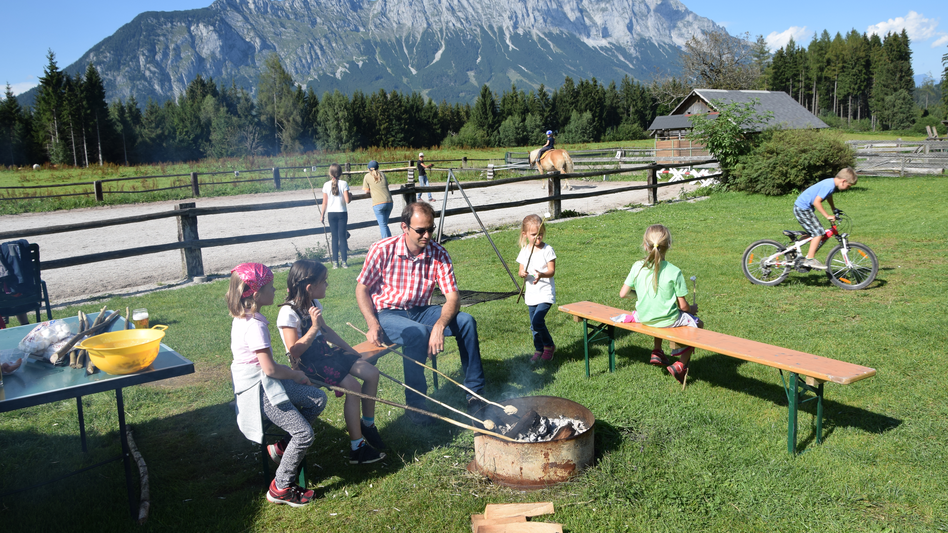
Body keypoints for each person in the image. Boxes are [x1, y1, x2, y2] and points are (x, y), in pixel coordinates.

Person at [355, 202, 487, 425]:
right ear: (404, 227)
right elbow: (362, 288)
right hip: (388, 314)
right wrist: (372, 323)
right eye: (421, 230)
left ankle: (475, 395)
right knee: (416, 333)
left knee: (466, 321)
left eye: (430, 229)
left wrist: (439, 326)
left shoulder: (439, 253)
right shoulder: (382, 249)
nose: (427, 235)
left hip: (420, 311)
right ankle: (415, 405)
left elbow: (453, 298)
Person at [226, 262, 328, 507]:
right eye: (270, 286)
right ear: (255, 293)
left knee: (317, 398)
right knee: (304, 433)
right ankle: (280, 487)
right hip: (260, 391)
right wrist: (295, 375)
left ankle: (282, 446)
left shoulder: (249, 318)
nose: (274, 290)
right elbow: (269, 369)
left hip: (267, 383)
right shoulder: (255, 326)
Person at [277, 260, 387, 464]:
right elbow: (295, 351)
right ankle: (357, 448)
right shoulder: (288, 313)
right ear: (310, 287)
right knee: (353, 387)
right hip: (307, 365)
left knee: (371, 373)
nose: (327, 285)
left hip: (324, 354)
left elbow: (325, 331)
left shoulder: (313, 303)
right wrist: (313, 328)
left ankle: (367, 424)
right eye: (324, 281)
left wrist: (350, 350)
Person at [618, 224, 700, 385]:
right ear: (669, 245)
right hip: (667, 320)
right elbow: (683, 307)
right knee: (697, 324)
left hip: (644, 317)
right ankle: (680, 365)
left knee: (657, 313)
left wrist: (639, 294)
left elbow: (623, 293)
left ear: (645, 245)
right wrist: (692, 310)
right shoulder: (674, 271)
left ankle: (657, 351)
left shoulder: (637, 266)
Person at [792, 167, 858, 270]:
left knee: (813, 233)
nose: (848, 188)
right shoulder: (829, 185)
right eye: (848, 186)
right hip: (802, 209)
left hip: (803, 208)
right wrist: (827, 216)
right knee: (818, 233)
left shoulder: (831, 184)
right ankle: (810, 259)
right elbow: (816, 202)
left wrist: (833, 209)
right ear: (843, 181)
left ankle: (794, 250)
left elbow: (828, 196)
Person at [516, 214, 557, 363]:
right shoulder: (524, 251)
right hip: (531, 294)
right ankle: (538, 349)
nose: (538, 237)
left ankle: (549, 346)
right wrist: (523, 273)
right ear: (525, 234)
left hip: (545, 293)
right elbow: (521, 271)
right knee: (533, 326)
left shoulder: (548, 250)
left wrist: (542, 274)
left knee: (538, 321)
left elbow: (552, 271)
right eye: (534, 235)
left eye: (540, 233)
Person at [321, 163, 351, 269]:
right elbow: (347, 200)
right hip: (342, 212)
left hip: (331, 213)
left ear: (330, 173)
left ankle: (335, 262)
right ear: (340, 173)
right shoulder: (344, 183)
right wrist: (350, 196)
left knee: (334, 237)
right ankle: (344, 262)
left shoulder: (326, 185)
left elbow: (324, 202)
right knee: (342, 237)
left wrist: (322, 215)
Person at [362, 160, 394, 238]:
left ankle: (386, 243)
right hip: (389, 201)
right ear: (378, 167)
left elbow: (366, 191)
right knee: (384, 224)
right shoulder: (382, 174)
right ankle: (391, 241)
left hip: (378, 203)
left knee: (383, 225)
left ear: (369, 169)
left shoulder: (367, 176)